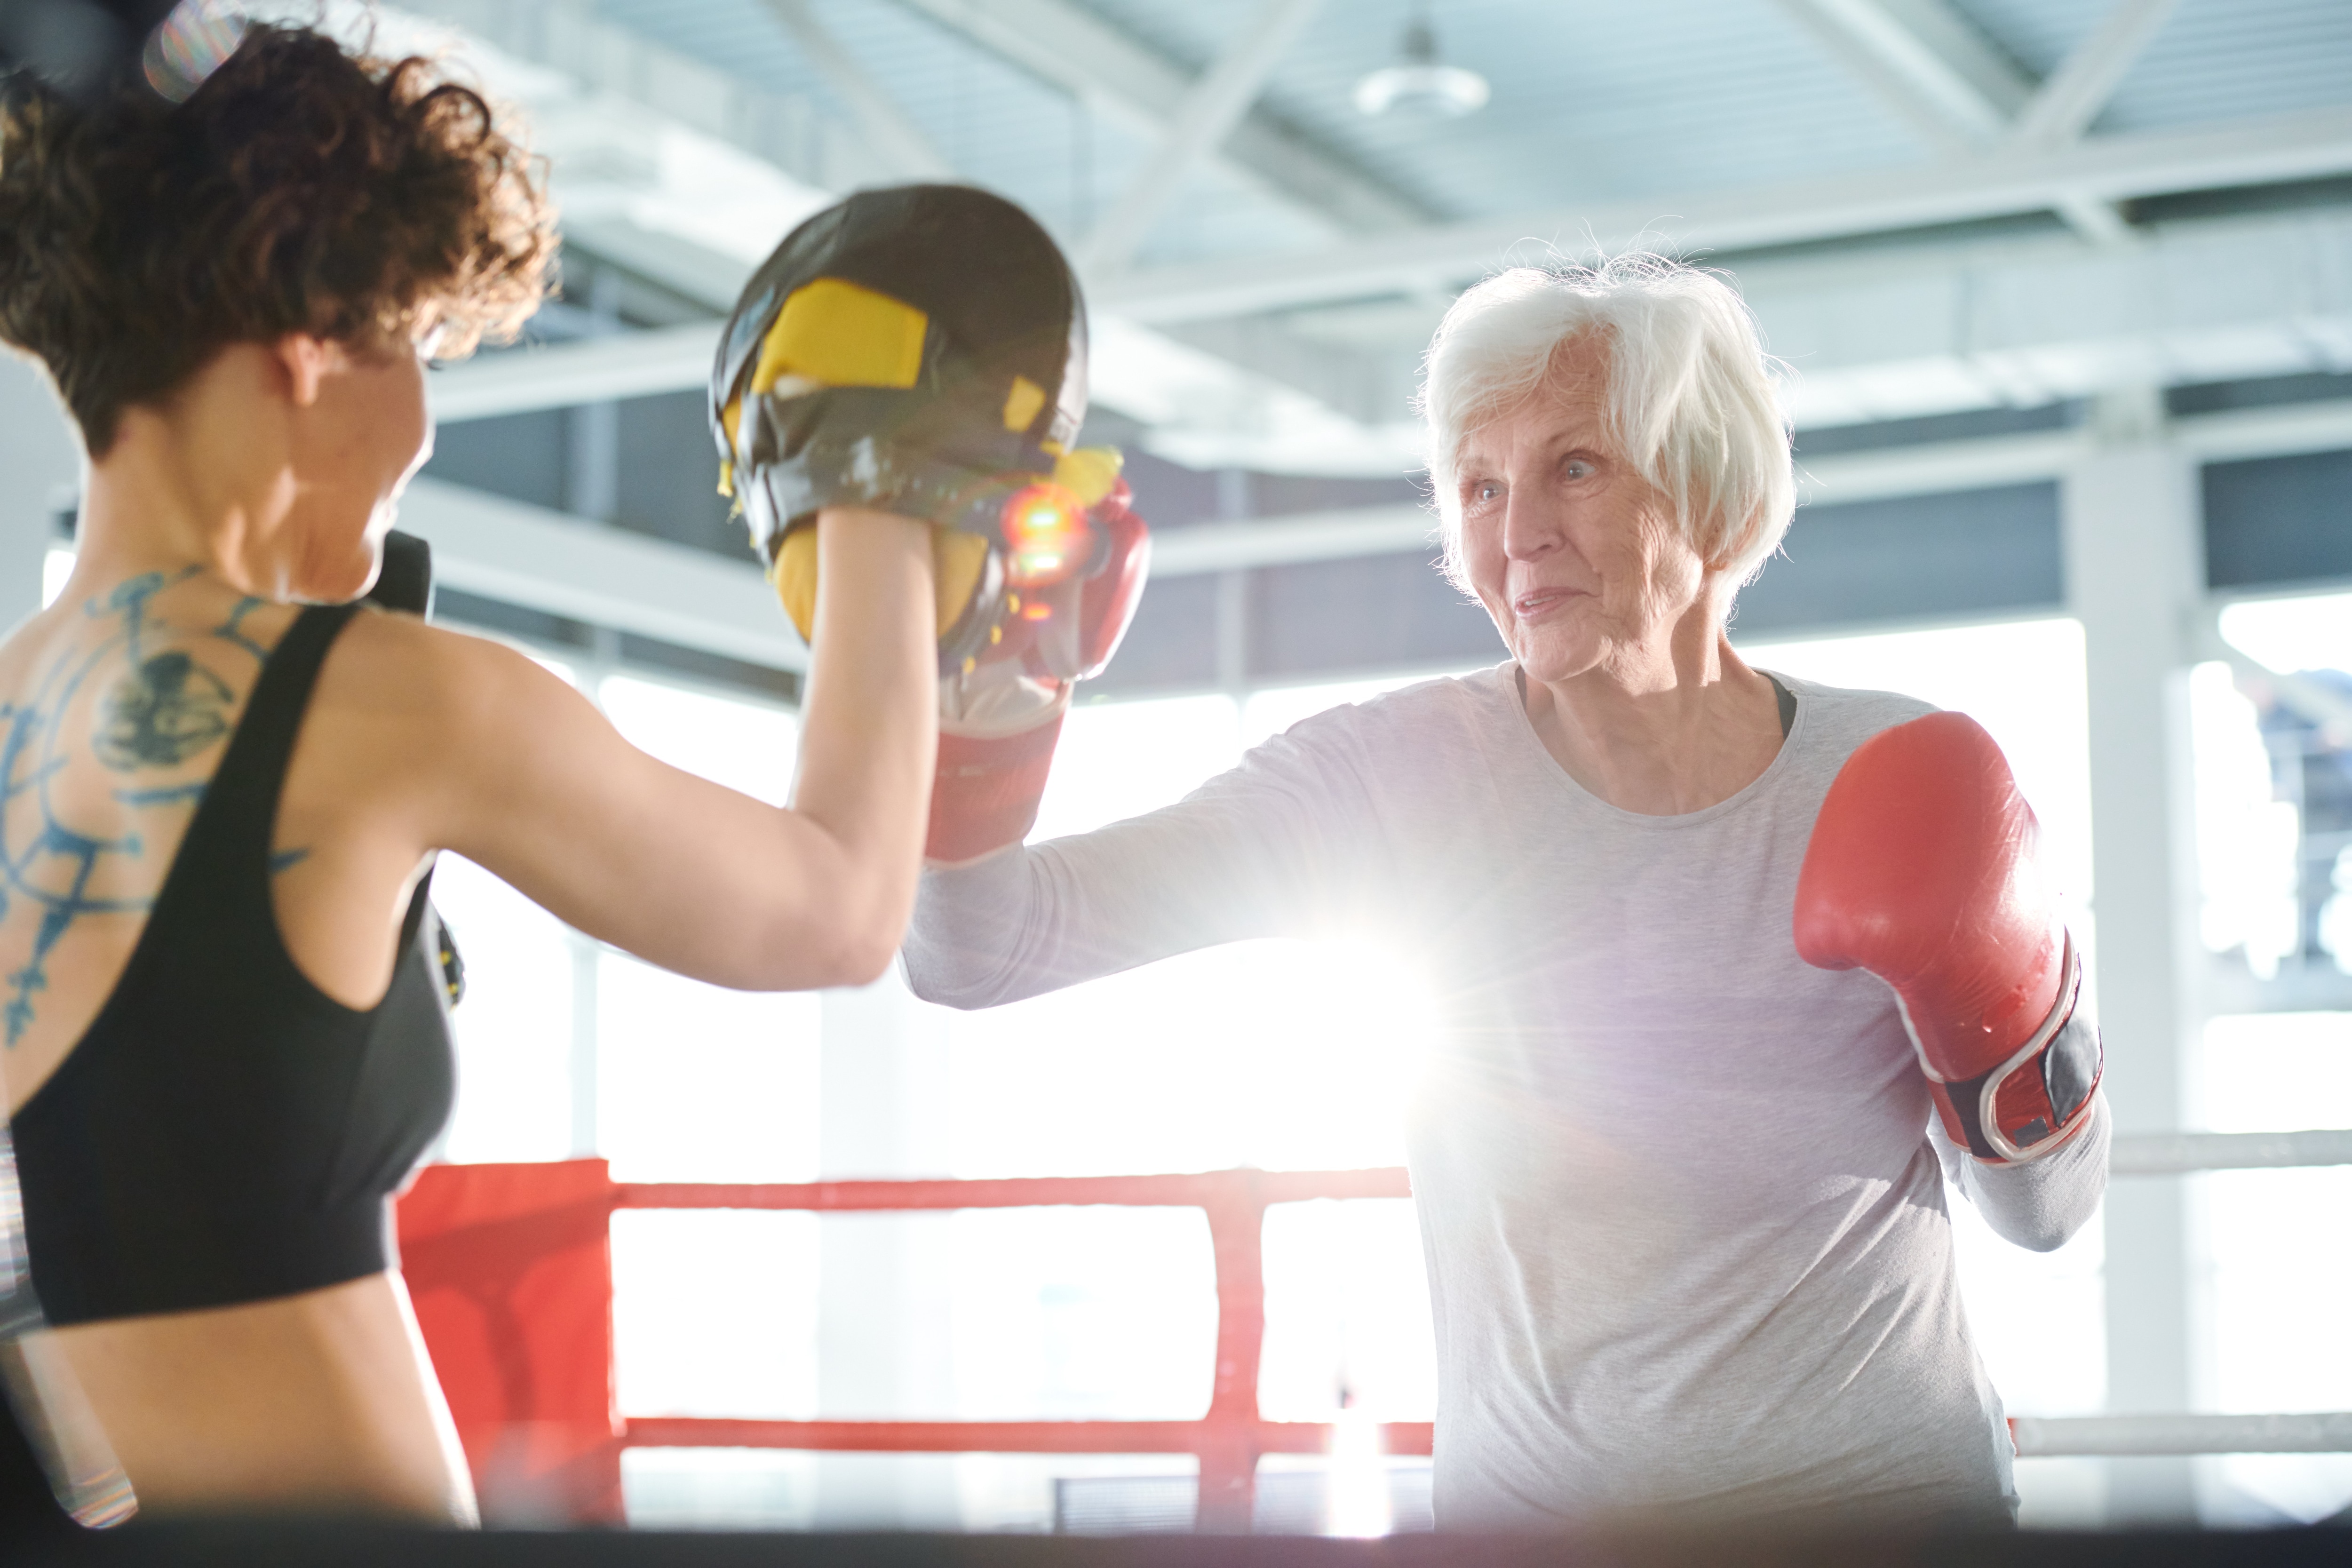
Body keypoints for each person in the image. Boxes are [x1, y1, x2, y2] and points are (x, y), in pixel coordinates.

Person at [904, 255, 2111, 1532]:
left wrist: (2004, 991)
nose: (1516, 529)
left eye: (1574, 467)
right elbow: (977, 952)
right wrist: (980, 712)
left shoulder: (1892, 774)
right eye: (1479, 486)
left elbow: (2048, 1214)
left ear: (1707, 492)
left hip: (1890, 1517)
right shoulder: (1390, 783)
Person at [0, 23, 945, 1521]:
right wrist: (885, 490)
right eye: (419, 350)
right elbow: (834, 911)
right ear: (313, 341)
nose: (424, 432)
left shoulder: (15, 707)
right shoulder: (385, 708)